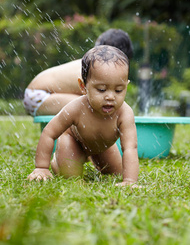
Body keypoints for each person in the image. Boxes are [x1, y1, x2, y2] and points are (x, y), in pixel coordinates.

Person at [27, 45, 139, 187]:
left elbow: (130, 148)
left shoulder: (124, 114)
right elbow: (49, 133)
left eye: (118, 90)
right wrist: (41, 168)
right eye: (101, 89)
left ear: (126, 86)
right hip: (74, 141)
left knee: (116, 173)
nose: (110, 96)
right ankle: (57, 162)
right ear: (83, 86)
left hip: (103, 146)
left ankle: (93, 158)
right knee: (71, 177)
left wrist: (129, 181)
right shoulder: (76, 108)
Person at [23, 29, 133, 116]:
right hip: (37, 95)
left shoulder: (92, 63)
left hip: (38, 94)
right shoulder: (95, 71)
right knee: (91, 108)